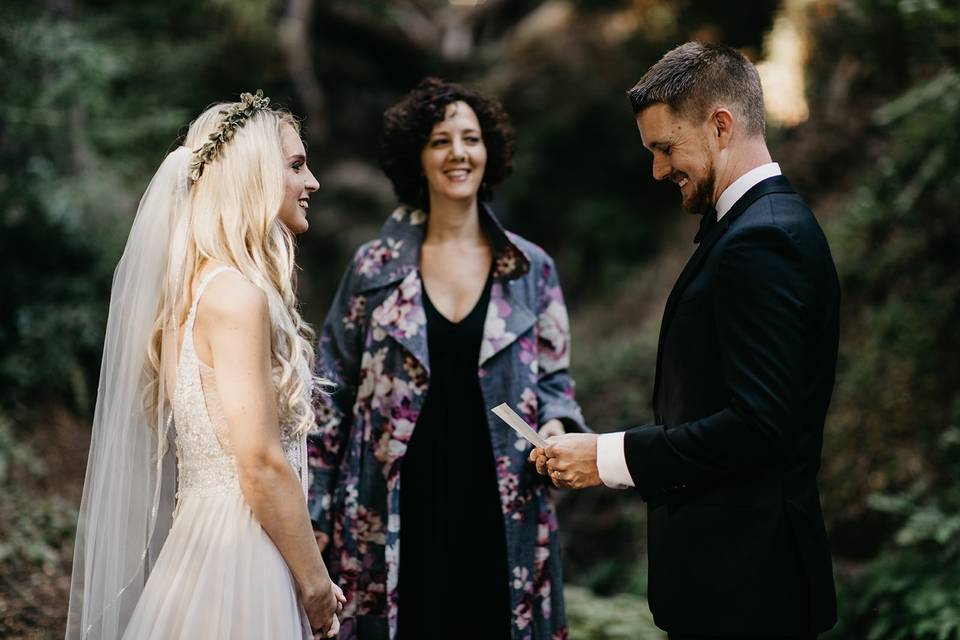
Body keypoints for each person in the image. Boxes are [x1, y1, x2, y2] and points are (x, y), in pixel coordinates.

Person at [531, 43, 840, 639]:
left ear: (721, 126)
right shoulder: (748, 230)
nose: (656, 170)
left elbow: (758, 426)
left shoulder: (763, 240)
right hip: (731, 588)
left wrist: (605, 458)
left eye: (664, 148)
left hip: (749, 594)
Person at [308, 78, 586, 640]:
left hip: (501, 504)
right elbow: (327, 392)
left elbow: (555, 381)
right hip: (391, 509)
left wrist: (556, 425)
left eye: (470, 138)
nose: (458, 153)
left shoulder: (532, 268)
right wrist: (313, 514)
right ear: (418, 156)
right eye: (440, 140)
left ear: (490, 152)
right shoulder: (373, 269)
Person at [66, 91, 345, 639]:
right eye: (295, 165)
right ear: (251, 176)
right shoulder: (236, 296)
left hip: (200, 549)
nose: (312, 182)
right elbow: (261, 463)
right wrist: (313, 582)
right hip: (242, 556)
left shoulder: (186, 297)